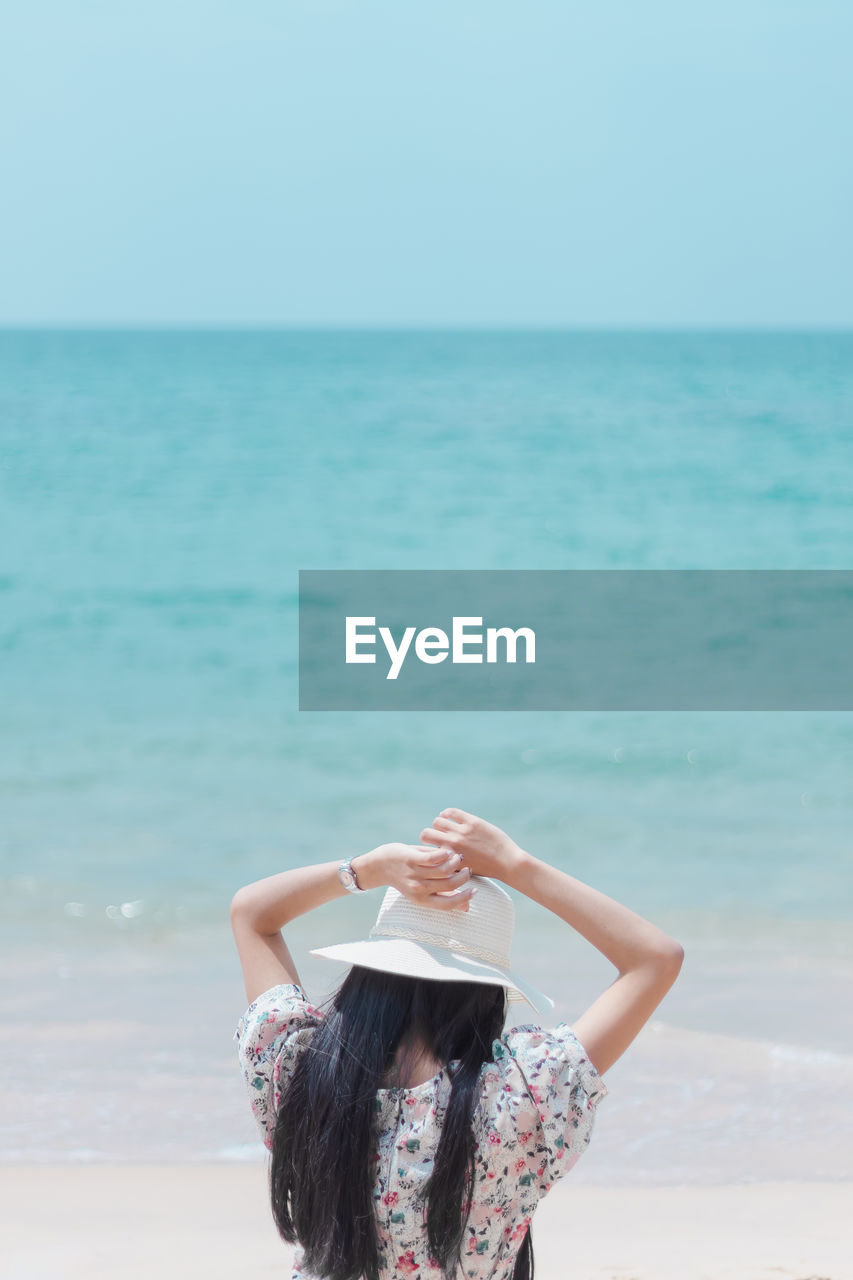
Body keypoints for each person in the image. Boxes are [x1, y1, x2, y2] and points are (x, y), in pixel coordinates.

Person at [231, 807, 684, 1280]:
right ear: (486, 993)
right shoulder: (519, 1093)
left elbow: (252, 914)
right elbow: (655, 958)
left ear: (372, 969)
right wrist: (515, 865)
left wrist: (367, 869)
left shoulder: (299, 1068)